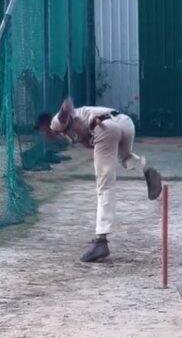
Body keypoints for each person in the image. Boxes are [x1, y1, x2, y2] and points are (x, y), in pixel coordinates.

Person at [47, 99, 163, 262]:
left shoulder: (62, 121)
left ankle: (101, 241)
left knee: (104, 185)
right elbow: (84, 136)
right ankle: (146, 168)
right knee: (125, 157)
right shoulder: (79, 114)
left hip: (105, 127)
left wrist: (66, 111)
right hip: (125, 122)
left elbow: (67, 113)